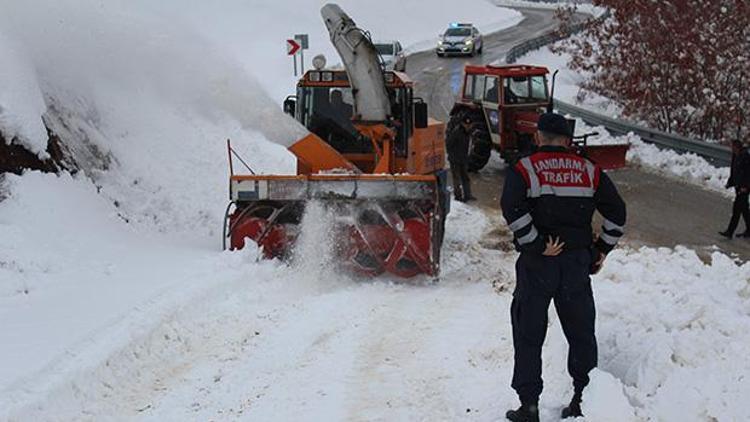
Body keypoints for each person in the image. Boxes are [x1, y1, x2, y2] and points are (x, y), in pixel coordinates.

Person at [500, 112, 626, 422]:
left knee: (529, 333)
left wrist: (536, 244)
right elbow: (617, 213)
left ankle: (529, 406)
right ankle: (583, 400)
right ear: (568, 141)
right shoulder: (589, 169)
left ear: (539, 137)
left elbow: (512, 210)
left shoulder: (525, 168)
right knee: (581, 333)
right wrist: (601, 249)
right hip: (575, 264)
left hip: (538, 265)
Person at [719, 139, 750, 239]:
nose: (731, 149)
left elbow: (748, 174)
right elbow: (734, 171)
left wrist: (745, 187)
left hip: (744, 188)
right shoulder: (735, 156)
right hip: (738, 187)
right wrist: (730, 182)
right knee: (744, 210)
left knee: (736, 210)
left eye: (732, 147)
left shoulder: (745, 157)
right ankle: (749, 230)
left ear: (737, 147)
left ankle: (730, 231)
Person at [447, 116, 476, 202]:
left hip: (463, 159)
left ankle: (468, 195)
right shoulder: (456, 132)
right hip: (455, 159)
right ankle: (458, 196)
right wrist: (453, 155)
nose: (468, 126)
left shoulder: (468, 133)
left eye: (469, 125)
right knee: (457, 178)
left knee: (465, 177)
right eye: (466, 124)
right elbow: (449, 144)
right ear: (462, 124)